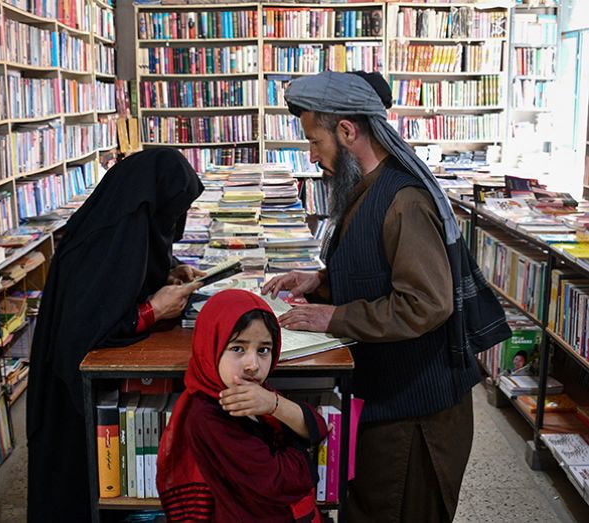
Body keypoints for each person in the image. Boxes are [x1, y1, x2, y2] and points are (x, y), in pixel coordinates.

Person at [262, 71, 511, 522]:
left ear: (347, 130)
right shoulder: (368, 187)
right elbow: (377, 271)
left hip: (417, 416)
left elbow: (425, 304)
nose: (313, 156)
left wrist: (332, 317)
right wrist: (318, 282)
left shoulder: (404, 200)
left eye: (315, 141)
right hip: (388, 402)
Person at [26, 148, 205, 522]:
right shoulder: (109, 234)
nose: (171, 223)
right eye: (170, 210)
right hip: (70, 385)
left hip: (91, 379)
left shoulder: (130, 216)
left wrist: (166, 273)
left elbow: (125, 277)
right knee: (79, 485)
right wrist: (153, 310)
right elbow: (85, 327)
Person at [157, 289, 329, 523]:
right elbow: (281, 483)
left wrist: (273, 403)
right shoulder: (208, 415)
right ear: (211, 346)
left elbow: (317, 428)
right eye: (238, 348)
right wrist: (301, 446)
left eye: (263, 350)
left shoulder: (254, 392)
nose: (252, 365)